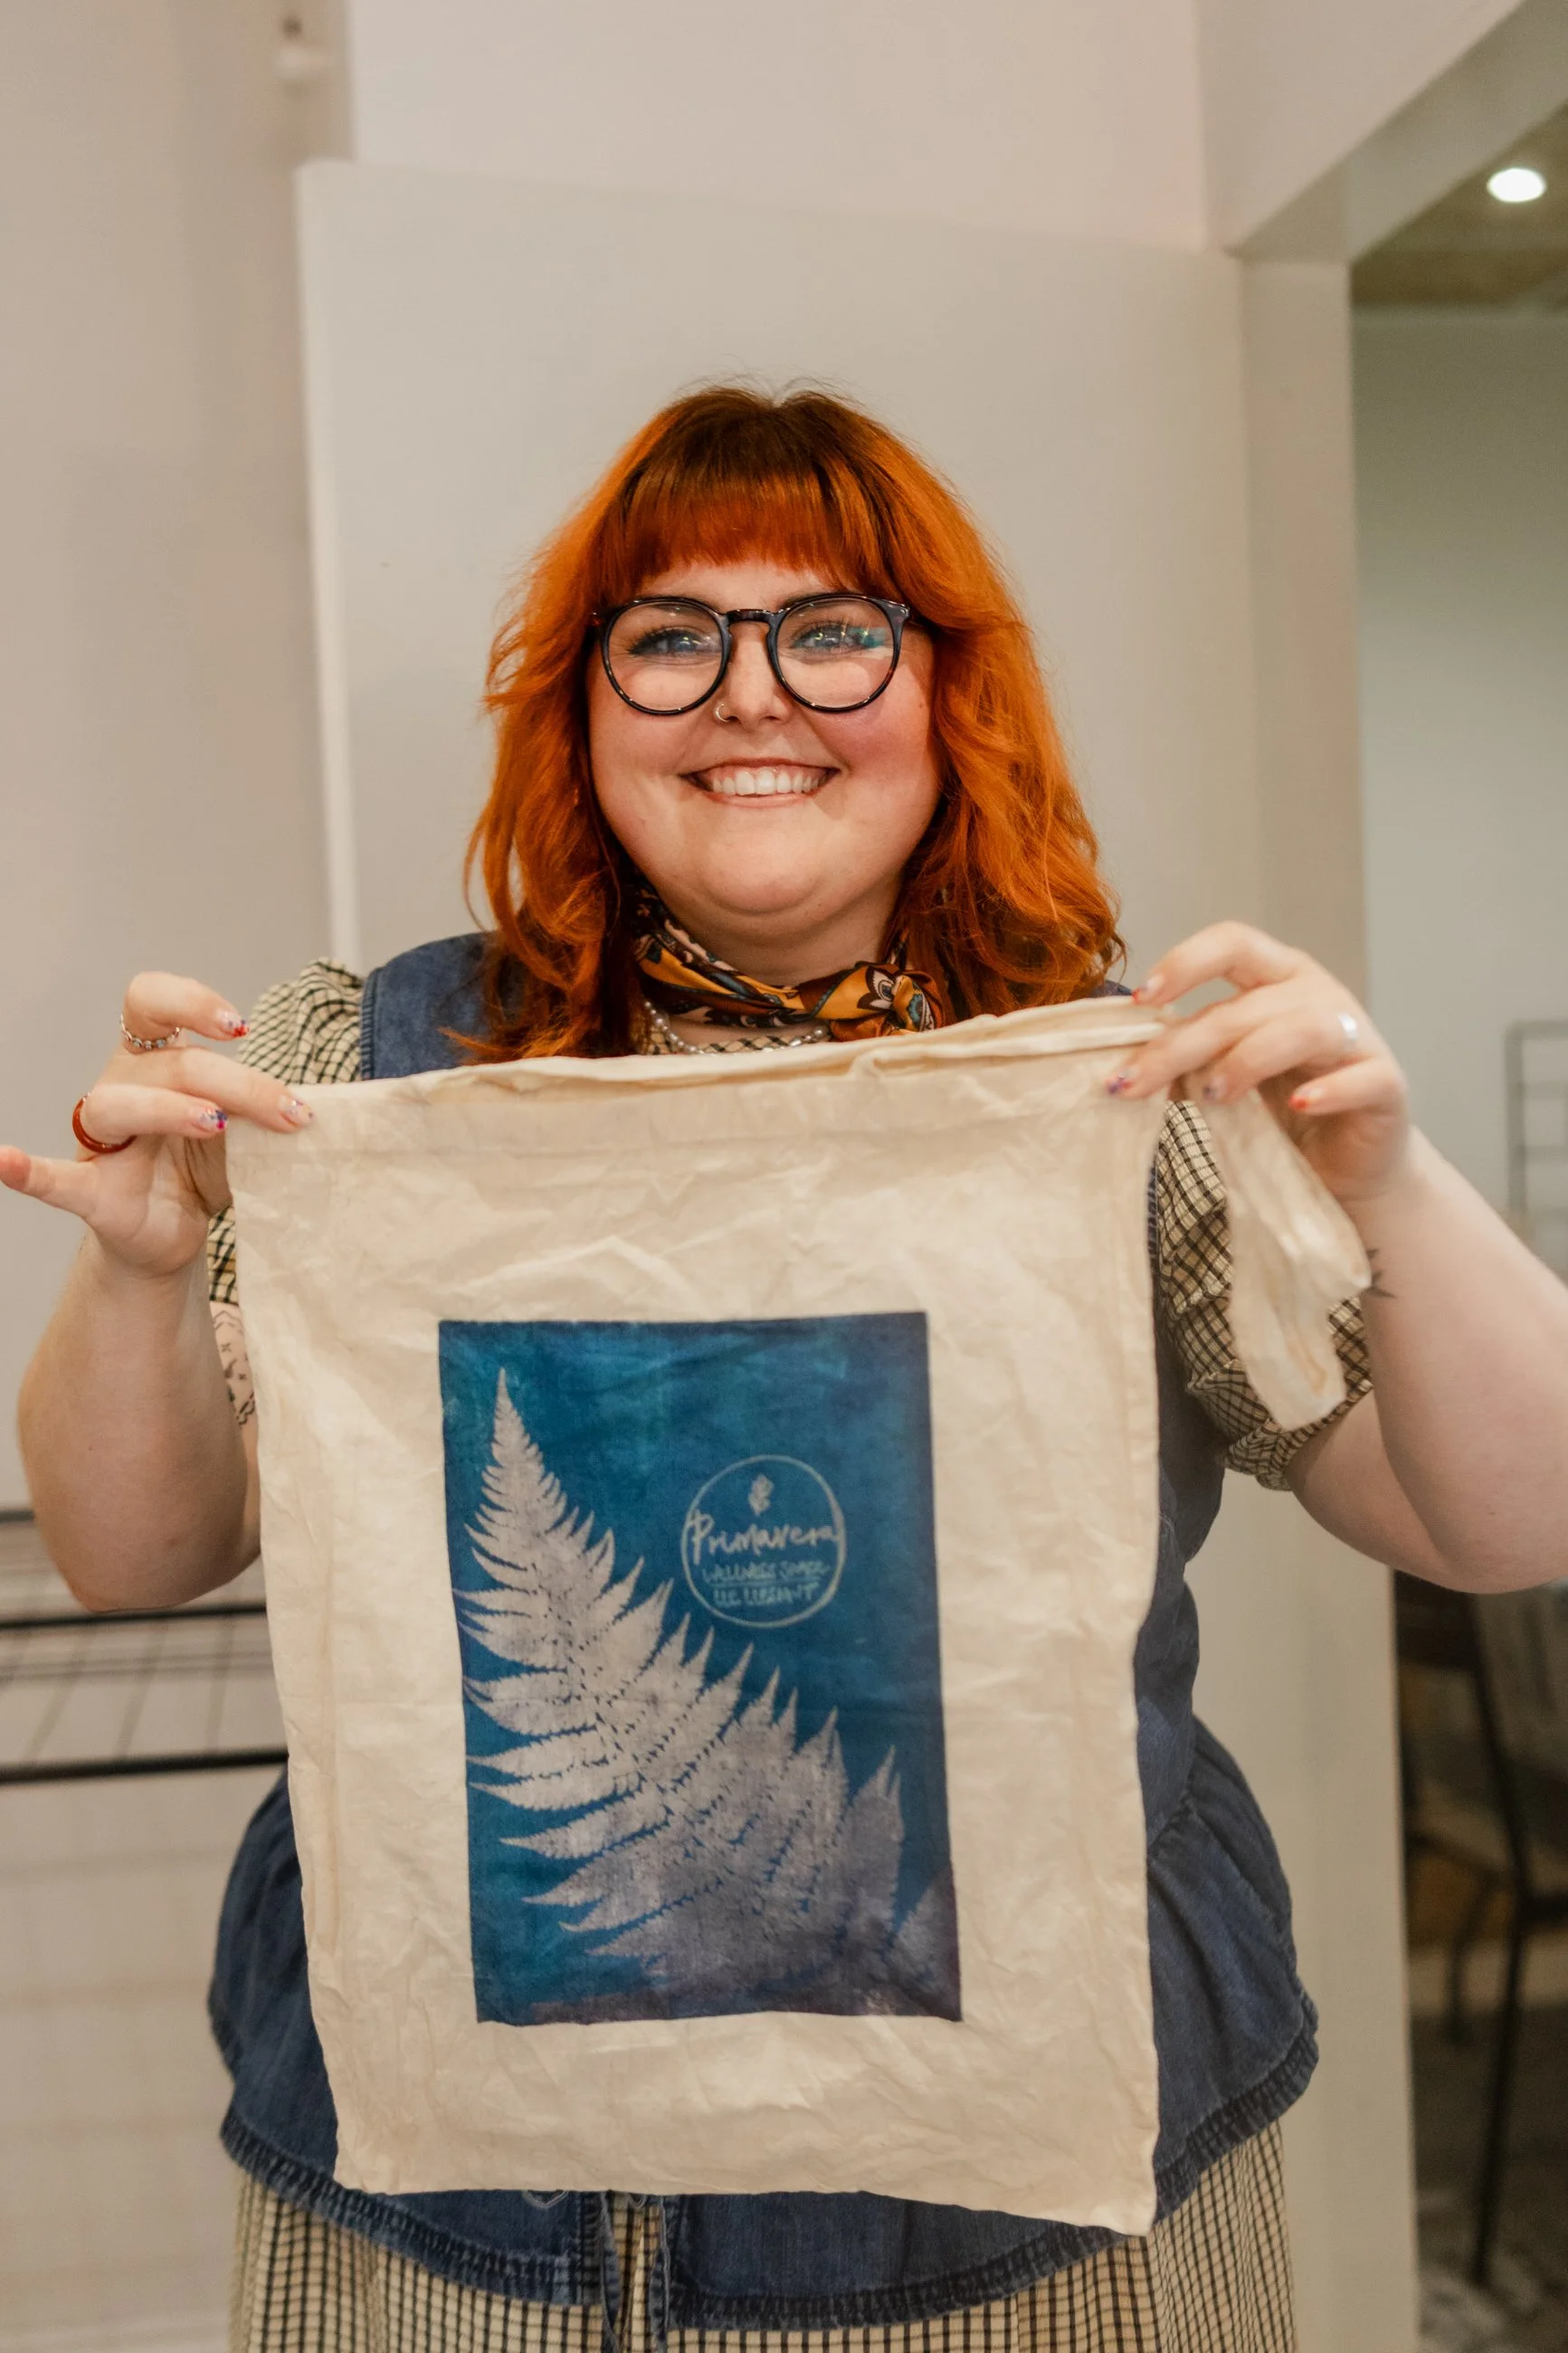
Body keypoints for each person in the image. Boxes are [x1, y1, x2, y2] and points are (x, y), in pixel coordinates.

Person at [7, 386, 1568, 2353]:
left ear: (944, 696)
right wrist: (145, 1277)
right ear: (581, 707)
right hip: (467, 2216)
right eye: (670, 638)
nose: (751, 694)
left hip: (1022, 2217)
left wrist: (1388, 1178)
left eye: (833, 630)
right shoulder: (360, 1066)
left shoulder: (1114, 1088)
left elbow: (1497, 1522)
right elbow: (137, 1555)